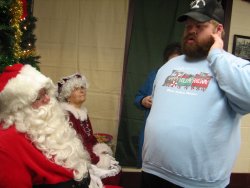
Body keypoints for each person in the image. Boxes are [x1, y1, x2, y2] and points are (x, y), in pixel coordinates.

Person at [141, 0, 250, 188]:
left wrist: (215, 55)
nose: (191, 30)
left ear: (218, 30)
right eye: (188, 26)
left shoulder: (235, 66)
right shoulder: (168, 66)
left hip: (199, 183)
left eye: (200, 26)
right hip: (153, 172)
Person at [0, 63, 105, 188]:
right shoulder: (7, 141)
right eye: (38, 97)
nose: (47, 99)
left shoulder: (48, 124)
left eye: (46, 93)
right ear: (18, 107)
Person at [57, 73, 122, 187]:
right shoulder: (67, 115)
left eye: (82, 88)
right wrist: (97, 158)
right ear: (67, 95)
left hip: (89, 154)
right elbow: (76, 145)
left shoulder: (82, 112)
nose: (82, 91)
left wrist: (101, 150)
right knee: (111, 173)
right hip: (77, 159)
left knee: (113, 164)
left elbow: (90, 138)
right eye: (76, 89)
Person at [134, 42, 182, 168]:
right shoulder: (155, 75)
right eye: (170, 61)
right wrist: (143, 100)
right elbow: (138, 97)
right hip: (152, 133)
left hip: (175, 135)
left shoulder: (188, 81)